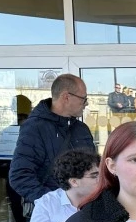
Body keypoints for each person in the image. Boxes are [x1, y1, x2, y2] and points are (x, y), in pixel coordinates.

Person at [9, 74, 96, 206]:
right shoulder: (35, 128)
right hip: (53, 214)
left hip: (84, 209)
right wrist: (54, 203)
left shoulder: (81, 129)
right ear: (66, 97)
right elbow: (20, 175)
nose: (86, 103)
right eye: (83, 99)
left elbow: (93, 170)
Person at [23, 150, 100, 222]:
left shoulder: (106, 201)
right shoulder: (47, 204)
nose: (102, 180)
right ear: (74, 182)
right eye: (94, 176)